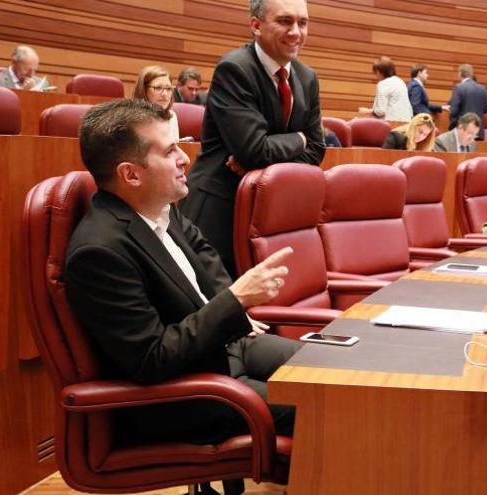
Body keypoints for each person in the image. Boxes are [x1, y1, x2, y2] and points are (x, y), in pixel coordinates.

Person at [65, 99, 302, 495]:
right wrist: (235, 301)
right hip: (185, 395)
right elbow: (151, 359)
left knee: (332, 376)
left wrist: (233, 309)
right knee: (330, 410)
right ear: (130, 174)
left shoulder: (162, 209)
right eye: (170, 149)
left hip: (223, 351)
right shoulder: (100, 251)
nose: (184, 158)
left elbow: (206, 262)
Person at [182, 0, 325, 278]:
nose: (296, 31)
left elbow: (317, 150)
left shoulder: (307, 78)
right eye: (285, 21)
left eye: (303, 22)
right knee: (223, 311)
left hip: (271, 213)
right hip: (221, 211)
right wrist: (299, 138)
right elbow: (255, 149)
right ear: (256, 25)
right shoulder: (235, 69)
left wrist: (261, 166)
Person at [132, 65, 180, 146]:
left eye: (168, 89)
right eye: (158, 88)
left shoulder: (172, 116)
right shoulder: (132, 119)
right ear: (143, 90)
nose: (164, 94)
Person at [358, 57, 412, 122]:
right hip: (406, 123)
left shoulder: (383, 84)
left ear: (380, 71)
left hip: (391, 124)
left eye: (375, 72)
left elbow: (380, 111)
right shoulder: (400, 81)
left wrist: (367, 111)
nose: (375, 75)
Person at [447, 64, 487, 140]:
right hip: (478, 132)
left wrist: (451, 127)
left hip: (463, 131)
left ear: (460, 73)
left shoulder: (459, 87)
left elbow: (453, 111)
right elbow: (486, 108)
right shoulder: (482, 88)